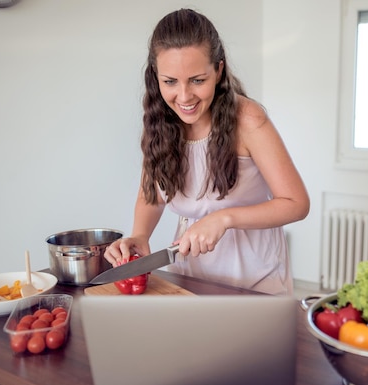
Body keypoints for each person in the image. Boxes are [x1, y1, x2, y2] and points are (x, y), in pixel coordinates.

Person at [104, 8, 309, 295]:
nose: (184, 96)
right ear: (156, 76)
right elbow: (151, 195)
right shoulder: (159, 120)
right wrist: (140, 234)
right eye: (170, 82)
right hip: (191, 278)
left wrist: (225, 218)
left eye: (198, 80)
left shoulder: (248, 120)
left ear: (219, 71)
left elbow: (296, 203)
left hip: (256, 281)